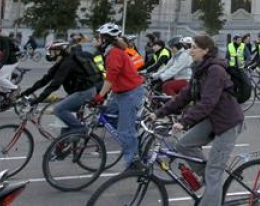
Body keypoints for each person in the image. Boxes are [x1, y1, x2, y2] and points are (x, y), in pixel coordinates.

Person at [157, 35, 244, 206]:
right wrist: (159, 113)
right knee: (182, 144)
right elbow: (184, 96)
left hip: (228, 122)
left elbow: (208, 102)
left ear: (206, 50)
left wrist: (184, 122)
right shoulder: (200, 69)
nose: (191, 50)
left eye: (195, 47)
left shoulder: (215, 70)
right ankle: (210, 179)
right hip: (213, 119)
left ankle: (211, 182)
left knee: (214, 171)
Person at [91, 23, 145, 171]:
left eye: (99, 38)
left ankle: (133, 162)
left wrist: (99, 96)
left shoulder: (114, 53)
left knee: (125, 131)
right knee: (109, 115)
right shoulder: (111, 51)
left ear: (105, 39)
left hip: (130, 92)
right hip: (120, 92)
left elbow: (110, 78)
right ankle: (132, 132)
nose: (97, 40)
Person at [19, 41, 100, 135]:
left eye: (52, 52)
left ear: (59, 52)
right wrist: (26, 93)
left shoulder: (68, 63)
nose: (50, 55)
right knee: (65, 122)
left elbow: (55, 85)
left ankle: (82, 130)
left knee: (58, 109)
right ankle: (63, 143)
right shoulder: (61, 62)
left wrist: (38, 99)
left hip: (85, 92)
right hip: (77, 92)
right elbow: (45, 80)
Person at [0, 27, 20, 103]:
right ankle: (8, 98)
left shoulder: (3, 39)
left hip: (11, 61)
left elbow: (6, 52)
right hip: (5, 62)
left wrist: (0, 64)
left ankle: (15, 88)